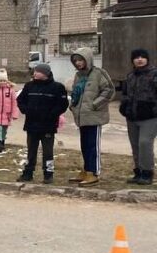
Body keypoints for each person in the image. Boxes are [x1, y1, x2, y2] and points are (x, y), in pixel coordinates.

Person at [66, 46, 115, 185]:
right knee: (84, 145)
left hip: (94, 116)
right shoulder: (78, 76)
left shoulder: (99, 73)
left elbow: (109, 91)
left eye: (80, 60)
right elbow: (75, 93)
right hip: (82, 117)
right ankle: (86, 170)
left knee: (93, 145)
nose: (78, 63)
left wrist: (95, 104)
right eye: (75, 61)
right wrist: (73, 105)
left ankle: (94, 172)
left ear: (87, 59)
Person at [16, 64, 69, 184]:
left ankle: (48, 174)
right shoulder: (29, 86)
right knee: (31, 151)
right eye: (34, 71)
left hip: (48, 126)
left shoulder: (57, 87)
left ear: (45, 73)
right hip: (32, 124)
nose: (34, 74)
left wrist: (51, 115)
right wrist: (26, 110)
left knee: (48, 152)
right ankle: (28, 173)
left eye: (37, 72)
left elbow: (62, 104)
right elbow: (20, 100)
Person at [120, 48, 157, 185]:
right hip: (132, 116)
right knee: (135, 145)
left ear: (147, 59)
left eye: (142, 57)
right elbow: (124, 94)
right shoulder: (130, 76)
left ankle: (148, 172)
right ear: (132, 60)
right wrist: (124, 107)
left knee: (145, 143)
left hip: (150, 117)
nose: (139, 59)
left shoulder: (154, 74)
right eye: (136, 57)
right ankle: (139, 172)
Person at [0, 69, 19, 152]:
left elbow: (14, 102)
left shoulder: (10, 90)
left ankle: (2, 142)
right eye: (0, 80)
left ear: (7, 80)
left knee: (4, 130)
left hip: (6, 114)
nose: (2, 82)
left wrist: (14, 114)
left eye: (4, 80)